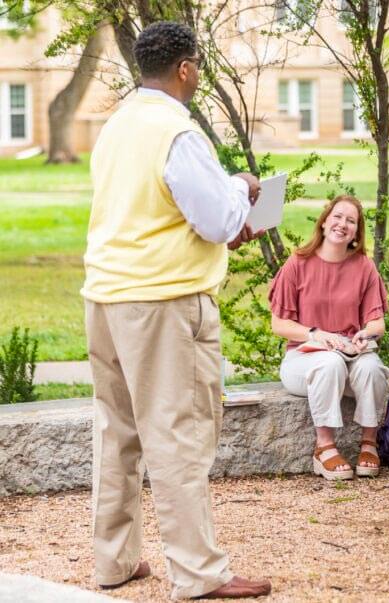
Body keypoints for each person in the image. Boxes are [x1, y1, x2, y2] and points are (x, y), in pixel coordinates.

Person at [82, 22, 270, 599]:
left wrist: (222, 220)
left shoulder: (117, 126)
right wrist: (240, 185)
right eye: (198, 66)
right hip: (163, 302)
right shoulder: (178, 132)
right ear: (185, 69)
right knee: (178, 436)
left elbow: (152, 211)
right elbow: (215, 219)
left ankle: (113, 562)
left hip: (106, 295)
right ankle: (199, 573)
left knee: (116, 433)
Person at [269, 195, 389, 481]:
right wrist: (315, 334)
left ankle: (369, 443)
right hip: (303, 359)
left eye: (351, 221)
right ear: (324, 222)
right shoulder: (298, 263)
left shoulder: (364, 266)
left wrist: (366, 333)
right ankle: (324, 447)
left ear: (356, 232)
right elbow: (279, 324)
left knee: (372, 367)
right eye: (337, 216)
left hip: (349, 355)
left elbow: (377, 322)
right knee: (329, 363)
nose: (342, 224)